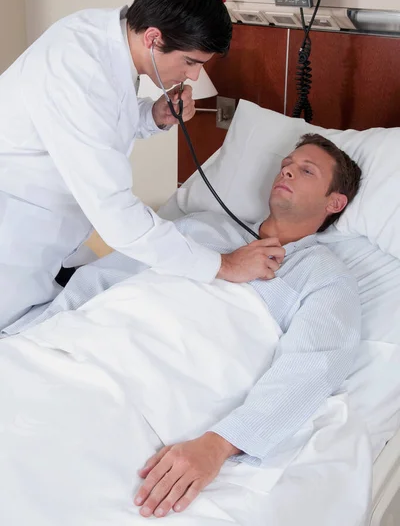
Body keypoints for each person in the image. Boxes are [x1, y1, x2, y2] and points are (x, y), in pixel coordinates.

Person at [4, 133, 362, 517]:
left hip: (147, 385)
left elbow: (311, 367)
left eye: (305, 170)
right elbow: (105, 277)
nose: (287, 169)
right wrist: (37, 331)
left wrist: (221, 443)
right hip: (73, 344)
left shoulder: (323, 276)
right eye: (286, 164)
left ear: (334, 202)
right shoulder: (202, 227)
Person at [0, 0, 283, 330]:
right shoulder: (80, 71)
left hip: (53, 233)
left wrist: (152, 115)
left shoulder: (106, 38)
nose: (193, 76)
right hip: (14, 235)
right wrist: (223, 266)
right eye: (191, 62)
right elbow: (117, 216)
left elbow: (98, 123)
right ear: (153, 38)